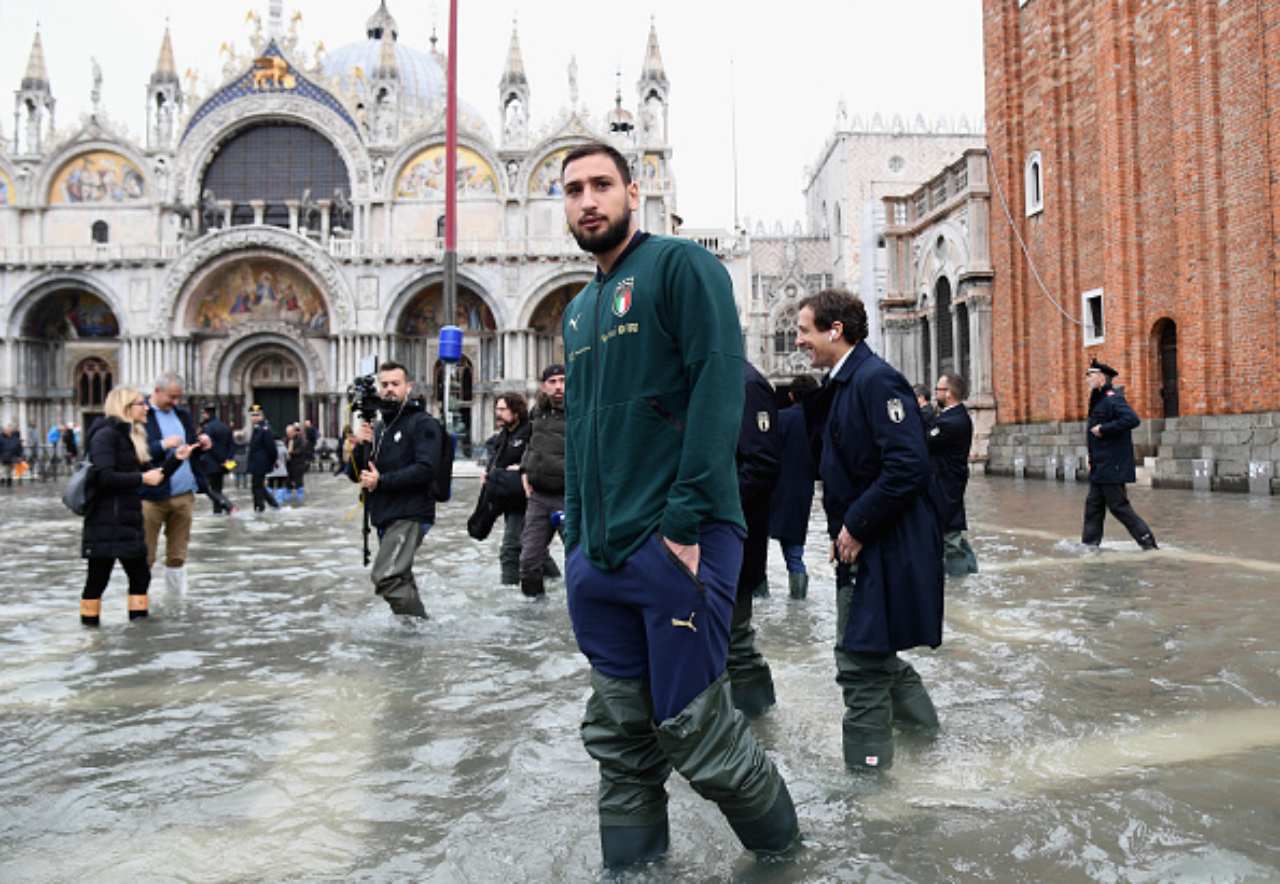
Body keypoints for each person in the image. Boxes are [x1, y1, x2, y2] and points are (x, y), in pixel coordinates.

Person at [560, 141, 798, 868]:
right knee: (621, 740)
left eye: (602, 184)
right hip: (597, 558)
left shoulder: (681, 267)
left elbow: (720, 385)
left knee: (699, 731)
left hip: (674, 540)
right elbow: (580, 432)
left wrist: (685, 522)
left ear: (636, 191)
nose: (588, 200)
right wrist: (574, 543)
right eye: (573, 190)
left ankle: (792, 863)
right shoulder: (577, 310)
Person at [795, 288, 942, 772]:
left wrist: (856, 526)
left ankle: (869, 791)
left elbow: (907, 466)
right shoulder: (844, 383)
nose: (798, 341)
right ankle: (929, 740)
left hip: (880, 544)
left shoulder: (876, 381)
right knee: (872, 655)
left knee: (859, 664)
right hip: (861, 547)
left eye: (804, 330)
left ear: (835, 331)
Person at [80, 387, 191, 625]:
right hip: (105, 521)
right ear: (126, 407)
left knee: (141, 577)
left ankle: (138, 630)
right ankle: (90, 635)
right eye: (142, 404)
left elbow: (154, 476)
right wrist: (141, 479)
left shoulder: (132, 438)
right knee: (97, 581)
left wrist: (177, 459)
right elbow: (103, 477)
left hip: (129, 521)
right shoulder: (104, 435)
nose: (147, 408)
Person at [347, 361, 442, 618]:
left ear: (408, 387)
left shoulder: (423, 423)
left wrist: (382, 481)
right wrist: (360, 444)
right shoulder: (379, 427)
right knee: (401, 577)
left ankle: (422, 629)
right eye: (384, 384)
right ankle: (410, 634)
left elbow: (426, 469)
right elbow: (354, 474)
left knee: (386, 577)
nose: (389, 389)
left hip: (411, 513)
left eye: (395, 384)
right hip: (384, 515)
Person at [727, 360, 783, 717]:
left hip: (734, 534)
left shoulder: (747, 383)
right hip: (707, 536)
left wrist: (713, 509)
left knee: (735, 640)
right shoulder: (710, 378)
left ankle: (760, 718)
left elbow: (761, 465)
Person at [141, 373, 212, 594]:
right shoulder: (141, 413)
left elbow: (188, 447)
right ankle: (140, 600)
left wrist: (201, 443)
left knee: (178, 555)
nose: (175, 402)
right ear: (157, 390)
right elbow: (136, 452)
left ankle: (175, 602)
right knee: (146, 554)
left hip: (183, 494)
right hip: (151, 496)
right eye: (171, 397)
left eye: (178, 398)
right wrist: (162, 444)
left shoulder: (182, 414)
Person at [1082, 358, 1157, 550]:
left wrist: (1105, 429)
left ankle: (1148, 544)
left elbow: (1132, 419)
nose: (1087, 379)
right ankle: (1090, 545)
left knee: (1119, 507)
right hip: (1100, 465)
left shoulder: (1112, 398)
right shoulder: (1098, 399)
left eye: (1089, 375)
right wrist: (1091, 459)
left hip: (1111, 465)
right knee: (1093, 507)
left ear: (1101, 377)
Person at [768, 374, 820, 599]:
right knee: (795, 552)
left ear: (790, 396)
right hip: (803, 491)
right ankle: (798, 602)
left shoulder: (780, 419)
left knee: (757, 550)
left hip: (773, 489)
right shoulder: (820, 422)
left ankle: (760, 601)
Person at [518, 364, 567, 598]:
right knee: (528, 561)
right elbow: (530, 442)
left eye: (563, 380)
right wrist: (525, 470)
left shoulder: (581, 409)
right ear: (543, 386)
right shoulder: (537, 411)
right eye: (553, 381)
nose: (558, 386)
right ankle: (534, 608)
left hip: (570, 498)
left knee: (580, 559)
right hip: (538, 497)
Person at [927, 373, 979, 576]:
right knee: (951, 532)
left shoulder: (952, 421)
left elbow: (926, 440)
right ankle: (970, 573)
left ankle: (960, 584)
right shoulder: (952, 416)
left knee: (950, 537)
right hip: (946, 483)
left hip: (946, 485)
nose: (935, 394)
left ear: (948, 393)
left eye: (938, 390)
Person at [486, 392, 533, 586]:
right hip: (509, 497)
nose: (498, 413)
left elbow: (539, 454)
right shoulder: (503, 436)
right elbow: (495, 462)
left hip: (526, 499)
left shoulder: (530, 430)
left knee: (510, 549)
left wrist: (524, 467)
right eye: (497, 409)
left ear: (516, 411)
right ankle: (553, 580)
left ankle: (509, 595)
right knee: (532, 549)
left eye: (503, 409)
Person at [199, 405, 235, 514]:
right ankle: (218, 512)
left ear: (208, 414)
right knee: (218, 489)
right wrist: (228, 460)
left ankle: (229, 506)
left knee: (208, 489)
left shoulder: (208, 428)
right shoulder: (226, 427)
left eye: (203, 413)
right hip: (224, 464)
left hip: (211, 463)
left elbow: (208, 447)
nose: (202, 416)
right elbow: (232, 446)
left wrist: (221, 460)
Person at [247, 405, 280, 512]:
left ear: (261, 416)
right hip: (256, 463)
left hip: (261, 464)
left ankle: (259, 508)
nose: (254, 418)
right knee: (259, 486)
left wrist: (272, 461)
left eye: (256, 415)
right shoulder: (257, 429)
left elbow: (272, 448)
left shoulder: (265, 429)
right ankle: (274, 505)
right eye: (252, 415)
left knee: (256, 487)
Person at [285, 423, 308, 502]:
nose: (289, 435)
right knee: (288, 482)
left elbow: (301, 450)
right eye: (288, 433)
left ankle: (300, 498)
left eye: (290, 433)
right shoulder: (286, 440)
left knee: (298, 481)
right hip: (288, 465)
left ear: (294, 432)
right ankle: (287, 497)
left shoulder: (300, 440)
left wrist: (291, 452)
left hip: (298, 464)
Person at [1, 421, 24, 487]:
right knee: (2, 471)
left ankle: (9, 484)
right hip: (3, 458)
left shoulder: (15, 438)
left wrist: (21, 456)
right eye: (7, 430)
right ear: (4, 430)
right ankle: (2, 483)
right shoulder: (1, 437)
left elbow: (19, 448)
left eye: (9, 429)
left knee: (9, 472)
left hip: (11, 457)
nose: (8, 431)